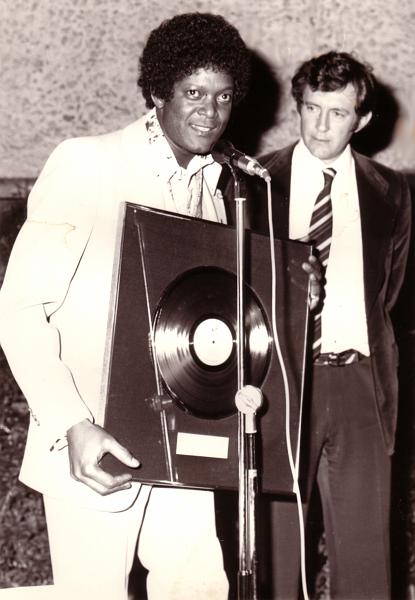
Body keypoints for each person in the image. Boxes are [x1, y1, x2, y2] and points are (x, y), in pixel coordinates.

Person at [0, 12, 252, 600]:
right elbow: (18, 310)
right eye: (192, 92)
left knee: (197, 588)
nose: (209, 112)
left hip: (183, 442)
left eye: (223, 96)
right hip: (96, 442)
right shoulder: (87, 163)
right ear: (157, 90)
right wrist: (74, 426)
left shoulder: (213, 190)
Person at [250, 51, 412, 599]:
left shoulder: (390, 192)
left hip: (358, 382)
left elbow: (388, 295)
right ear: (297, 107)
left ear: (361, 120)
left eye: (337, 113)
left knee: (366, 560)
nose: (320, 126)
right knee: (274, 556)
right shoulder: (254, 183)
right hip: (276, 384)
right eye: (312, 108)